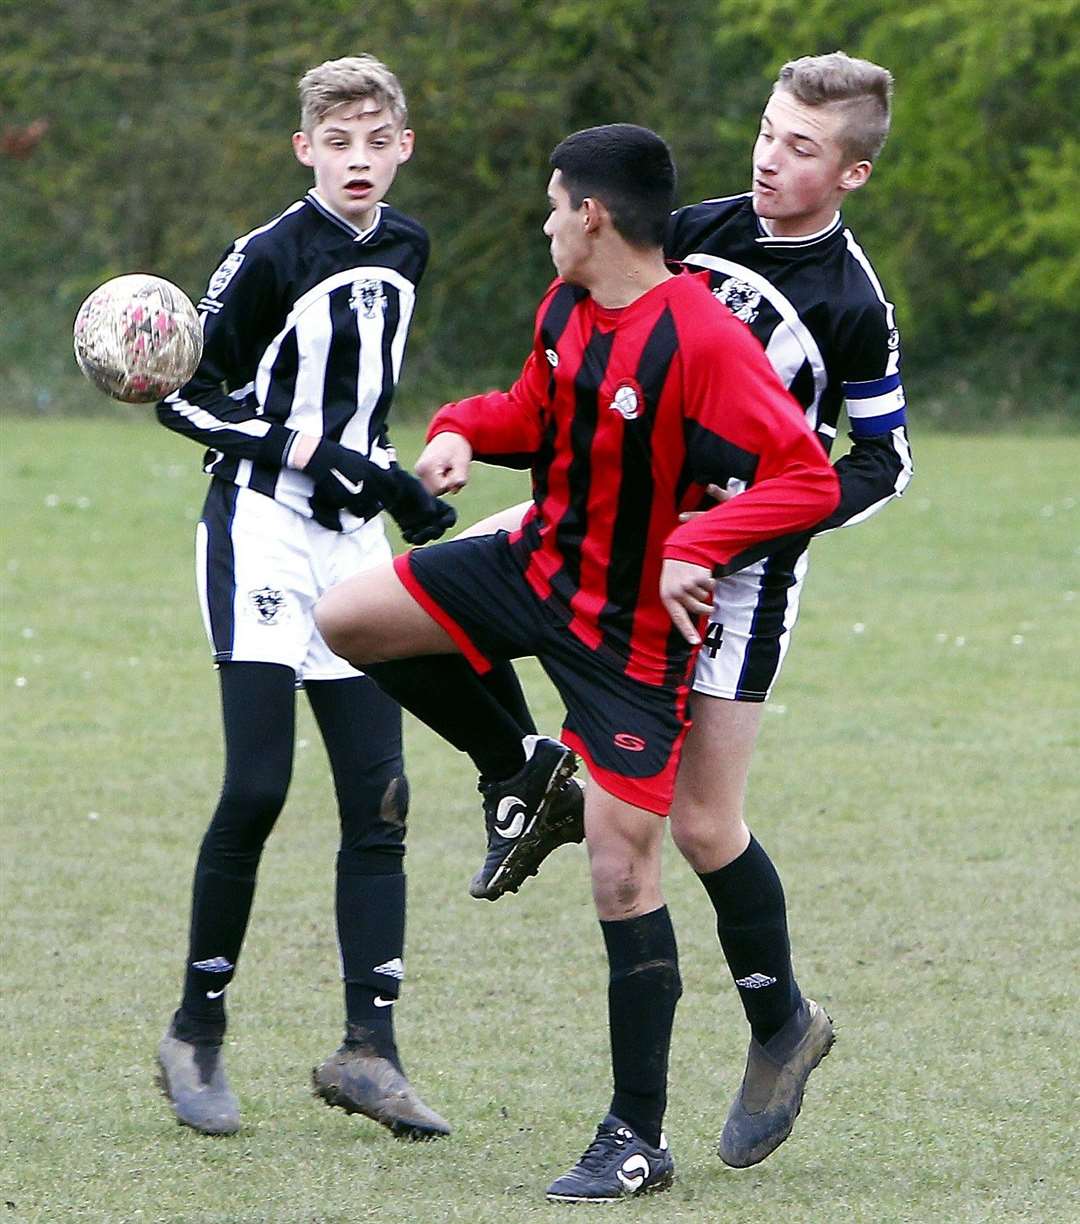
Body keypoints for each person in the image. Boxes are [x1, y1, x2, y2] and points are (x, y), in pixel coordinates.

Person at [314, 123, 840, 1200]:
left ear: (591, 214)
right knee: (351, 618)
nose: (547, 222)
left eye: (555, 205)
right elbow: (536, 415)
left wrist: (695, 547)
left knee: (622, 862)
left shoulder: (698, 339)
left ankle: (635, 1136)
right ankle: (521, 766)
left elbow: (807, 476)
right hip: (535, 561)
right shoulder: (567, 309)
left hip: (629, 636)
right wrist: (464, 428)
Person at [457, 51, 913, 1172]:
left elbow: (880, 462)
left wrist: (738, 528)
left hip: (742, 576)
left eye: (802, 147)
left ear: (850, 172)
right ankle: (532, 768)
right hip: (612, 530)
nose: (771, 157)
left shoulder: (851, 305)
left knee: (705, 826)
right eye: (767, 130)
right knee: (443, 592)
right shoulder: (694, 230)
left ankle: (780, 1026)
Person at [153, 54, 456, 1141]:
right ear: (306, 149)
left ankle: (369, 1051)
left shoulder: (412, 245)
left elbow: (363, 402)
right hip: (262, 535)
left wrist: (396, 483)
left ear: (403, 145)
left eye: (377, 140)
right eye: (338, 142)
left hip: (351, 542)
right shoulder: (268, 254)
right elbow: (187, 398)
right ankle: (196, 1031)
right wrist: (319, 457)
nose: (359, 159)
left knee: (383, 799)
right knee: (259, 787)